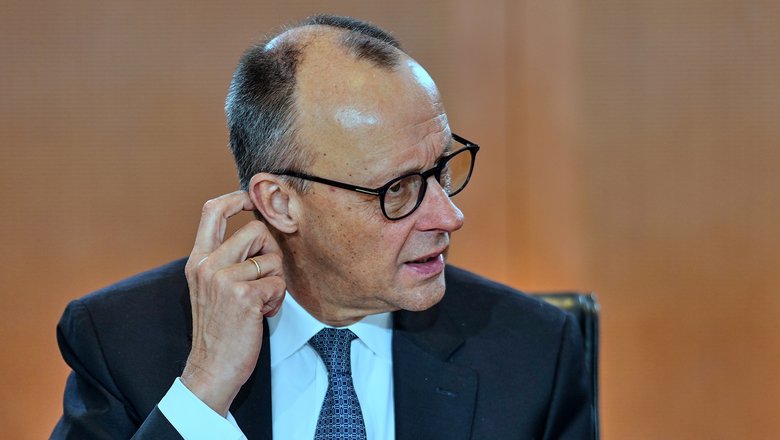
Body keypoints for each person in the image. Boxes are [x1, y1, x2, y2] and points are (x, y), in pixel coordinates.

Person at [51, 14, 593, 440]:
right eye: (397, 189)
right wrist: (203, 391)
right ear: (281, 203)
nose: (449, 216)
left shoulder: (532, 352)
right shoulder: (122, 341)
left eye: (441, 170)